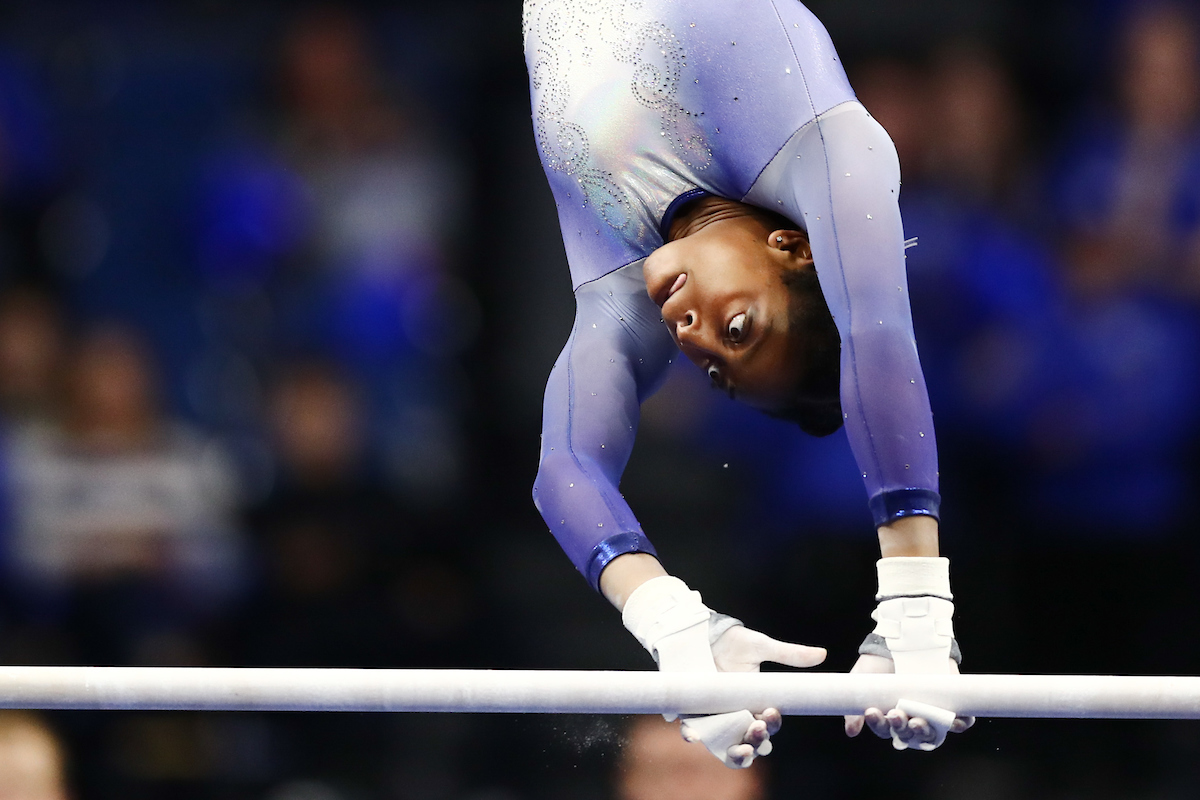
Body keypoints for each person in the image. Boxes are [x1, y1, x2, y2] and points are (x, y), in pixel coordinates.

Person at [523, 0, 975, 766]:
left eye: (712, 368)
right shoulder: (822, 146)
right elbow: (875, 328)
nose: (692, 337)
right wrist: (916, 603)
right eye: (740, 330)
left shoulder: (620, 286)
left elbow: (565, 469)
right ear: (795, 247)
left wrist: (673, 624)